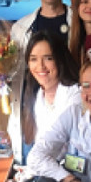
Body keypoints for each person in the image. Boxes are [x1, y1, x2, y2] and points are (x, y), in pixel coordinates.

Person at [4, 0, 74, 164]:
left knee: (67, 168)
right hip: (30, 112)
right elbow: (14, 71)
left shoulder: (78, 22)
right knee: (31, 168)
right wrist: (1, 79)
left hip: (68, 109)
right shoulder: (20, 28)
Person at [14, 31, 81, 164]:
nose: (40, 66)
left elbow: (75, 154)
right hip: (45, 168)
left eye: (48, 58)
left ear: (60, 60)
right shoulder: (37, 96)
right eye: (33, 59)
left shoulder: (76, 95)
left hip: (72, 171)